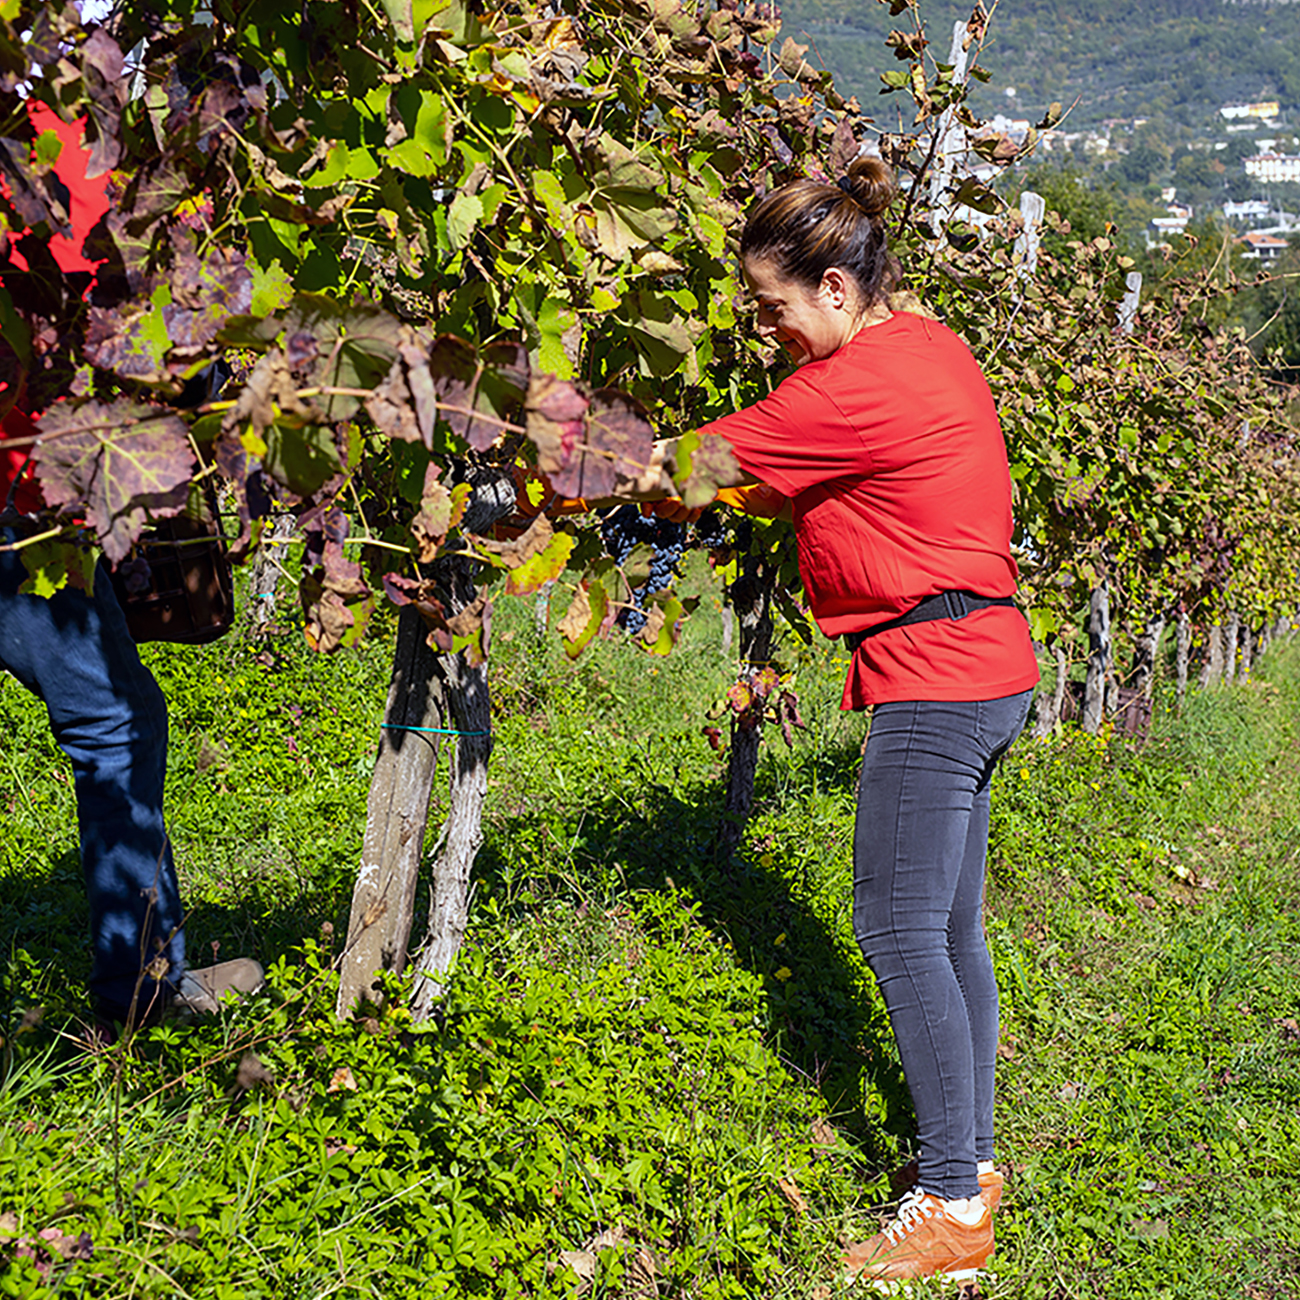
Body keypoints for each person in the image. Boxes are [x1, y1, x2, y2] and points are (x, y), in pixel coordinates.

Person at [626, 157, 1040, 1285]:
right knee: (950, 930)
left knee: (896, 927)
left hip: (936, 675)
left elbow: (700, 466)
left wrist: (556, 461)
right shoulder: (925, 344)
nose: (767, 331)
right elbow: (801, 468)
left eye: (773, 307)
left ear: (836, 291)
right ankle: (973, 1167)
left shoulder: (849, 383)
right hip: (988, 657)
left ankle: (951, 1201)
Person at [1, 110, 261, 1033]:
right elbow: (105, 313)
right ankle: (142, 995)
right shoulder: (48, 129)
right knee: (116, 726)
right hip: (20, 500)